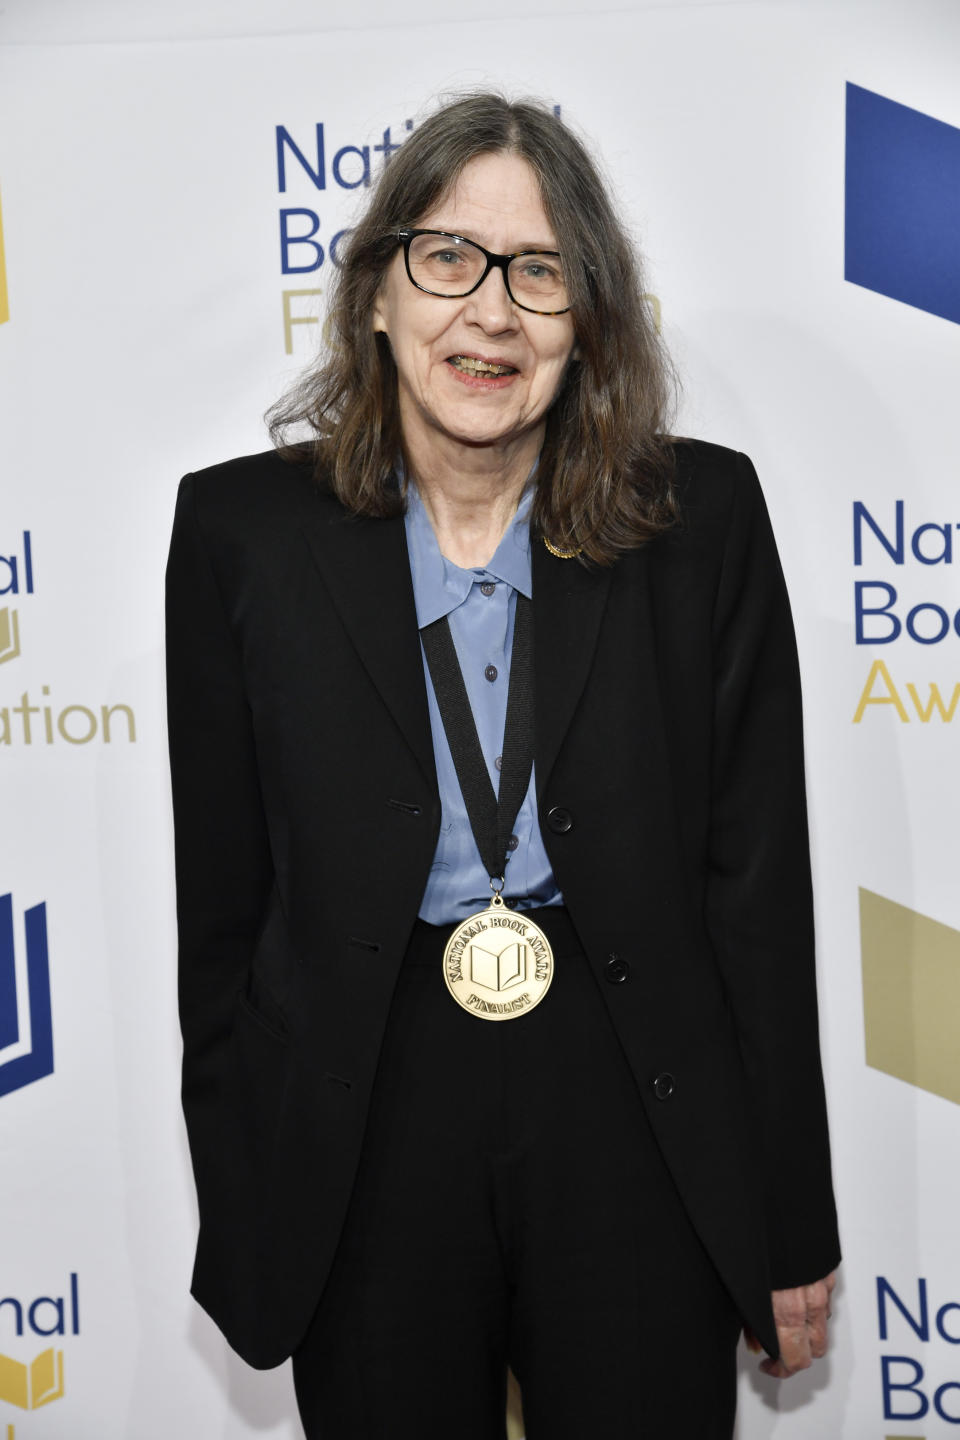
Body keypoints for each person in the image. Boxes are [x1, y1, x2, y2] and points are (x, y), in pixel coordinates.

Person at [165, 92, 840, 1439]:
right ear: (374, 295)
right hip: (362, 1111)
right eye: (448, 258)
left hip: (631, 1095)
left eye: (539, 273)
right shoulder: (240, 533)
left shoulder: (700, 523)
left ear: (586, 323)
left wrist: (788, 1214)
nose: (490, 313)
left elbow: (758, 900)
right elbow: (223, 913)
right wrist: (253, 1193)